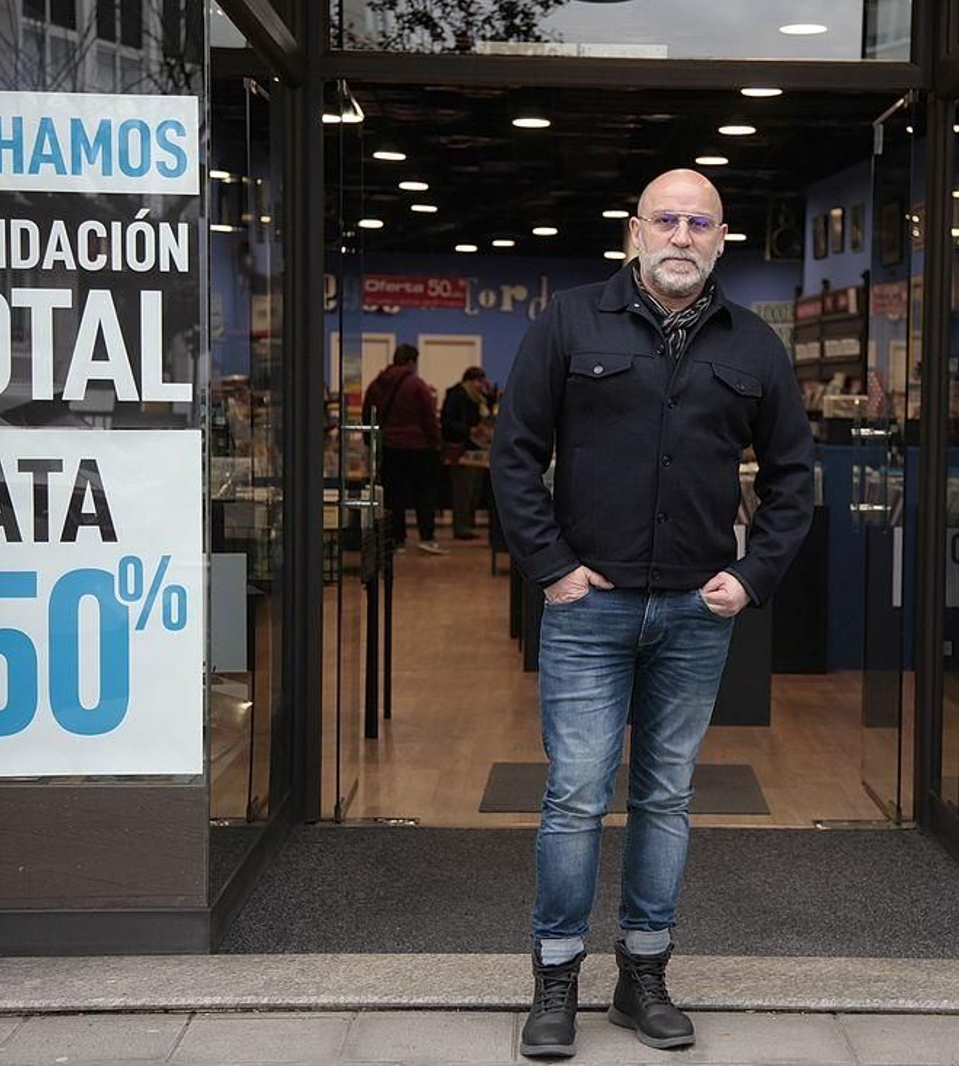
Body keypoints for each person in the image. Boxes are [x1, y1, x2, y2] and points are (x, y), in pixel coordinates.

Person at [492, 169, 814, 1058]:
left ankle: (643, 978)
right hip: (588, 608)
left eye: (698, 223)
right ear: (635, 231)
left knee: (665, 797)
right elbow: (514, 454)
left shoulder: (754, 346)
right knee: (575, 796)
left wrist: (752, 576)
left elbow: (793, 477)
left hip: (695, 612)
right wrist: (552, 568)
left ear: (721, 239)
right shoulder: (569, 323)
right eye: (665, 220)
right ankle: (556, 983)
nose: (681, 235)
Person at [364, 343, 448, 555]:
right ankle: (426, 537)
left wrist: (371, 443)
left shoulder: (376, 384)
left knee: (394, 496)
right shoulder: (416, 384)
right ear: (411, 361)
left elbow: (367, 416)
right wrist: (436, 443)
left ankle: (397, 539)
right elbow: (428, 418)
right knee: (425, 494)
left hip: (390, 447)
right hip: (419, 447)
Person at [441, 366, 495, 540]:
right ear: (469, 381)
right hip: (462, 450)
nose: (481, 385)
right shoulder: (457, 396)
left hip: (477, 450)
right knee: (462, 492)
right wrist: (469, 430)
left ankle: (468, 524)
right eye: (479, 381)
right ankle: (461, 527)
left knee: (474, 491)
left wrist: (491, 394)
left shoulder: (480, 399)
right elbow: (447, 422)